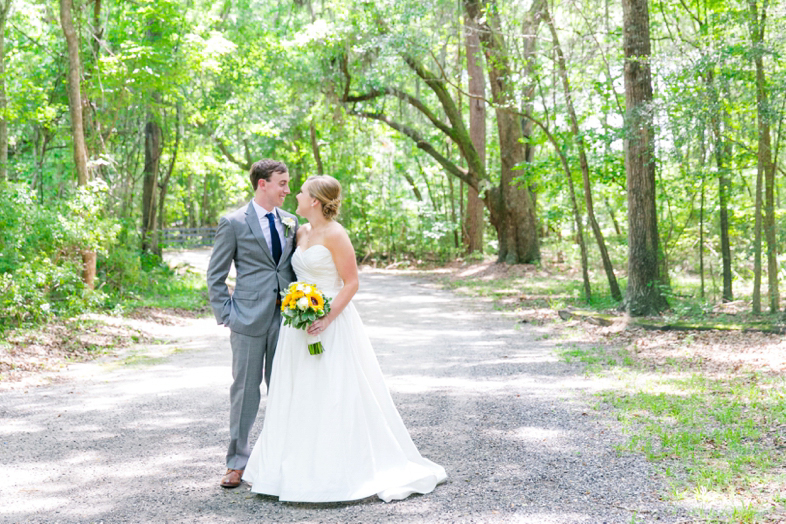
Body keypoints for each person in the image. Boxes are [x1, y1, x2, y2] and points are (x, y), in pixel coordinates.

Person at [242, 175, 447, 502]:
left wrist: (325, 317)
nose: (296, 194)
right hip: (297, 324)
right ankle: (288, 467)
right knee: (296, 393)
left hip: (331, 322)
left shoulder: (337, 235)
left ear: (316, 201)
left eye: (302, 191)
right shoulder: (301, 231)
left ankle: (335, 469)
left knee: (333, 391)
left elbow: (351, 283)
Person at [207, 159, 299, 489]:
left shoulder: (292, 221)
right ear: (263, 184)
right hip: (247, 319)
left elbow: (293, 269)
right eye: (283, 183)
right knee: (245, 392)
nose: (288, 189)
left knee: (285, 389)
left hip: (287, 319)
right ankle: (237, 463)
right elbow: (215, 276)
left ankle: (281, 459)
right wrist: (228, 315)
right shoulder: (232, 222)